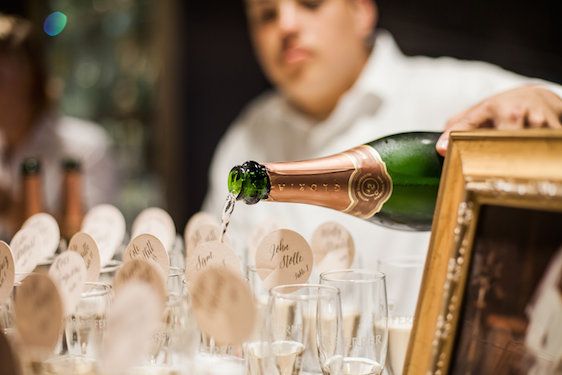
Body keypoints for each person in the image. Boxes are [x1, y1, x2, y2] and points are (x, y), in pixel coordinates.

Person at [203, 0, 562, 269]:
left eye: (310, 3)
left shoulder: (456, 94)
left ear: (361, 11)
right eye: (267, 16)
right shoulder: (246, 136)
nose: (286, 24)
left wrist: (544, 101)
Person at [0, 15, 118, 237]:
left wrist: (7, 205)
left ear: (32, 79)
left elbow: (91, 243)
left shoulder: (87, 147)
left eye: (1, 79)